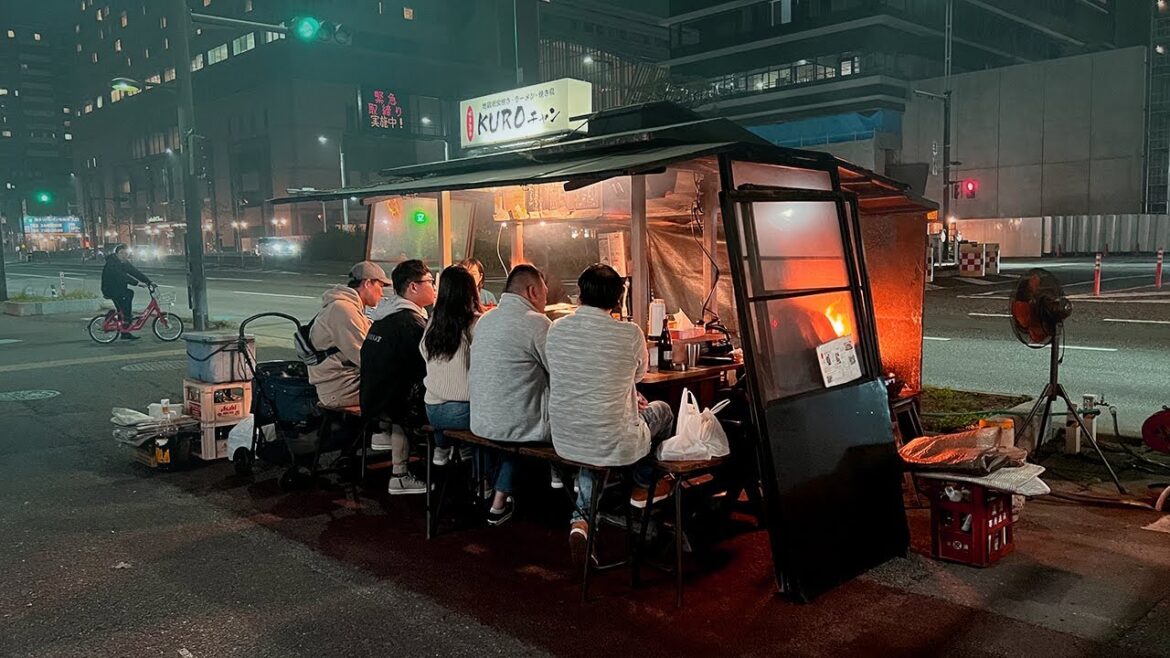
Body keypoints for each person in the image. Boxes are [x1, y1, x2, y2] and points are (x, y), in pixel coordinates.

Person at [546, 264, 675, 560]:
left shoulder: (556, 328)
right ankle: (644, 484)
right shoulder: (629, 333)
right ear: (618, 299)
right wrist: (629, 394)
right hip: (609, 438)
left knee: (596, 445)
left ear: (579, 295)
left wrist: (624, 394)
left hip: (565, 436)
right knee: (663, 411)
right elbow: (640, 373)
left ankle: (581, 521)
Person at [469, 264, 556, 526]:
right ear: (532, 291)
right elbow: (561, 372)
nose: (546, 300)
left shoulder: (485, 320)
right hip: (518, 426)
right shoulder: (537, 323)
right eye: (544, 293)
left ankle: (496, 494)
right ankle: (570, 495)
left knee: (516, 411)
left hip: (480, 422)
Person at [362, 259, 437, 495]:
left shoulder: (384, 316)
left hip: (374, 400)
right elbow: (428, 367)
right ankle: (446, 463)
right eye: (430, 282)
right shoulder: (410, 324)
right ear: (413, 287)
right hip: (395, 405)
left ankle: (400, 466)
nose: (434, 287)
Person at [421, 265, 481, 467]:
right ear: (470, 292)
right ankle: (486, 481)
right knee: (497, 418)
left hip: (432, 409)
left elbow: (423, 352)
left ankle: (444, 445)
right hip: (462, 411)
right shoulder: (475, 324)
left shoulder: (432, 323)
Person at [307, 261, 388, 409]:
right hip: (340, 388)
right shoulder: (343, 310)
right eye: (381, 286)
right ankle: (388, 432)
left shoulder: (349, 307)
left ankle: (388, 432)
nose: (382, 293)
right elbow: (365, 357)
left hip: (344, 381)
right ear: (368, 283)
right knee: (403, 391)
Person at [100, 244, 154, 340]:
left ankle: (125, 330)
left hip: (118, 288)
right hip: (110, 289)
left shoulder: (123, 262)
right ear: (118, 253)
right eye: (123, 253)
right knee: (127, 298)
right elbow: (122, 276)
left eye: (126, 253)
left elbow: (134, 272)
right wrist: (137, 283)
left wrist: (148, 281)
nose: (125, 256)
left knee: (126, 302)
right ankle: (123, 320)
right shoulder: (112, 263)